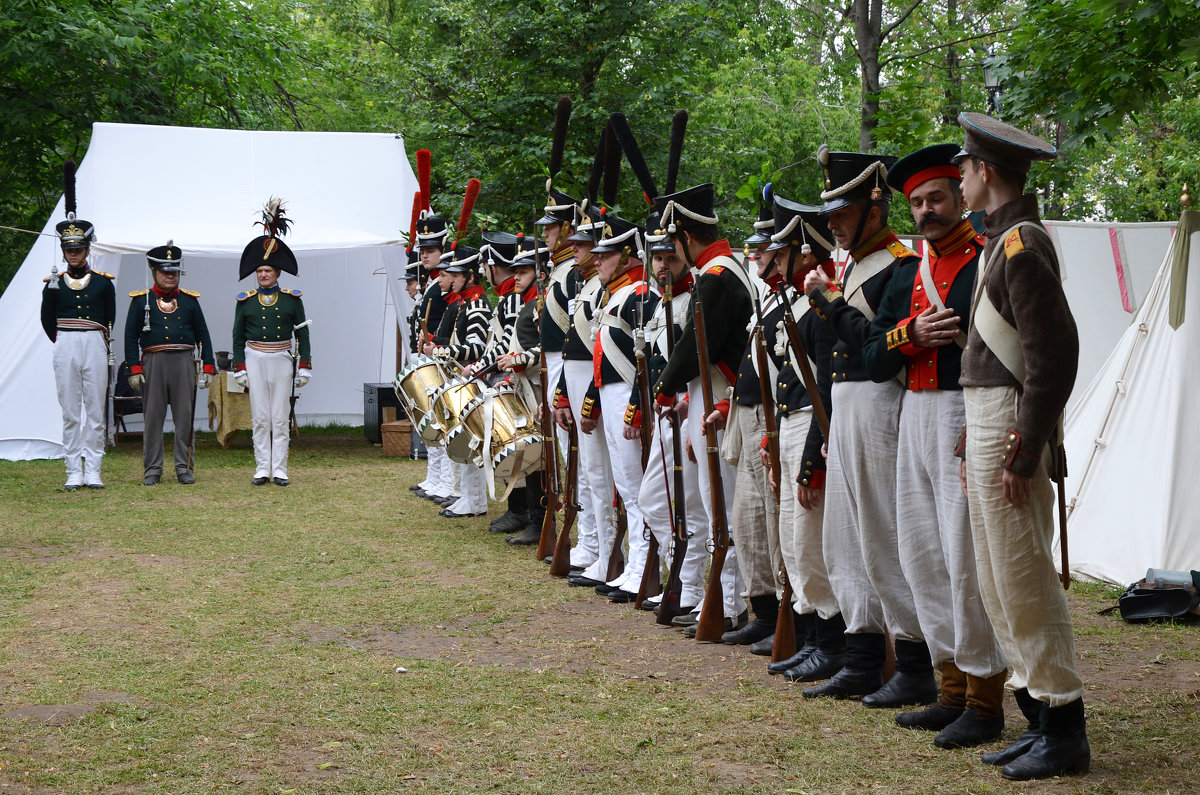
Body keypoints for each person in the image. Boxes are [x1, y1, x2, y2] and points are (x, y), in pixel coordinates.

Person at [953, 111, 1088, 781]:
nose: (960, 178)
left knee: (1024, 576)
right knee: (998, 577)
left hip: (1010, 421)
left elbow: (1054, 355)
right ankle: (1038, 716)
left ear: (987, 172)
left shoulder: (1020, 244)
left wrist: (1024, 445)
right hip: (989, 415)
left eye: (966, 168)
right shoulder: (999, 241)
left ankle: (1063, 724)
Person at [861, 143, 1008, 749]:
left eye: (936, 198)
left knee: (963, 559)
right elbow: (871, 358)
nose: (926, 210)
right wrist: (910, 333)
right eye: (916, 202)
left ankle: (983, 699)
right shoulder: (904, 274)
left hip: (963, 413)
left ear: (959, 196)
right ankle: (948, 690)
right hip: (913, 416)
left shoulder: (986, 261)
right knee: (921, 556)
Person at [802, 148, 934, 705]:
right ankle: (860, 655)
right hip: (845, 408)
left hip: (881, 405)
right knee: (845, 542)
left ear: (874, 208)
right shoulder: (852, 263)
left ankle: (913, 662)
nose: (832, 221)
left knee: (885, 538)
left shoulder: (901, 266)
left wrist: (830, 301)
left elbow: (879, 351)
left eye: (842, 210)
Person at [652, 182, 750, 634]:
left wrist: (665, 386)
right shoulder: (721, 270)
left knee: (721, 507)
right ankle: (722, 598)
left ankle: (730, 604)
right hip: (708, 393)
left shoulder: (716, 275)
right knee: (716, 507)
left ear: (684, 239)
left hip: (719, 394)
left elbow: (698, 343)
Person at [586, 213, 659, 602]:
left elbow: (645, 357)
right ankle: (635, 563)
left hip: (628, 396)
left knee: (636, 486)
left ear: (629, 256)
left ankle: (646, 565)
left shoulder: (639, 294)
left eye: (606, 254)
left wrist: (635, 407)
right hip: (610, 394)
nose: (597, 261)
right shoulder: (612, 293)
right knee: (625, 486)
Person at [40, 165, 115, 491]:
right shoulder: (54, 283)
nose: (73, 254)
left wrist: (94, 339)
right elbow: (47, 318)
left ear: (87, 249)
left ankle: (93, 469)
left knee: (95, 410)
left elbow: (109, 316)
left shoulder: (102, 284)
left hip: (94, 344)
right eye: (69, 250)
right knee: (71, 411)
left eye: (78, 249)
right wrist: (63, 340)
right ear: (64, 252)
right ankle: (73, 470)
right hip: (66, 343)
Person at [232, 199, 311, 487]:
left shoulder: (292, 300)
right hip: (254, 358)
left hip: (282, 358)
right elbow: (238, 336)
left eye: (268, 270)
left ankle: (280, 469)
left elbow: (303, 334)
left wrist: (305, 367)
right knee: (260, 417)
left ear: (278, 273)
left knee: (280, 417)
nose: (263, 274)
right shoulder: (245, 301)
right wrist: (239, 368)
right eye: (260, 271)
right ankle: (261, 467)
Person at [124, 243, 216, 485]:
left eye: (174, 271)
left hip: (183, 362)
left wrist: (208, 366)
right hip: (153, 362)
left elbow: (203, 335)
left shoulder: (189, 301)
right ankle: (152, 469)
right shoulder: (140, 300)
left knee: (184, 418)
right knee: (153, 418)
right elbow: (130, 337)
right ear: (154, 271)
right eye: (165, 271)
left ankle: (183, 467)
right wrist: (133, 368)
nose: (169, 276)